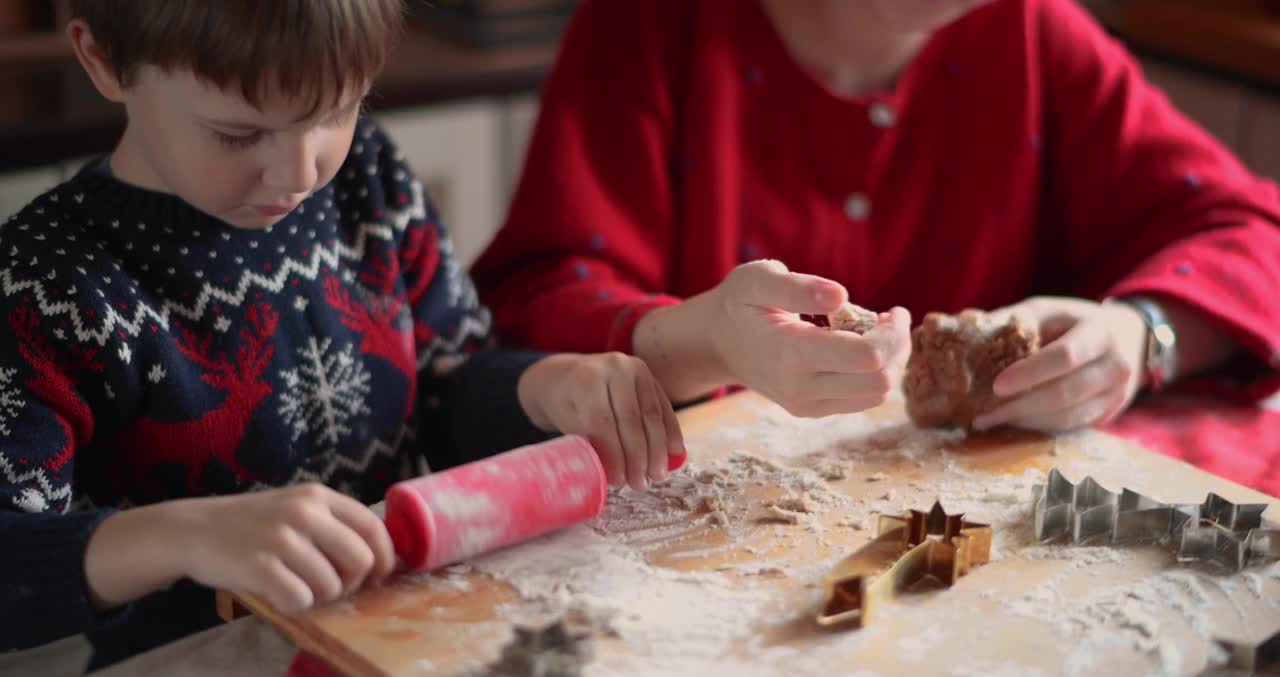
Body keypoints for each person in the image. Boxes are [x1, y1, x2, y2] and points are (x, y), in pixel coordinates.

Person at [0, 0, 683, 668]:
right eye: (238, 134)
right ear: (105, 60)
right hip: (195, 676)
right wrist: (182, 534)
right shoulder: (46, 282)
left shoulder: (367, 180)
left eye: (334, 112)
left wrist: (542, 386)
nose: (300, 175)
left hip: (402, 644)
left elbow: (444, 390)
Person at [472, 0, 1280, 491]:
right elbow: (529, 307)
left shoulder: (1034, 35)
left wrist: (1146, 335)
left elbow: (1251, 234)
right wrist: (706, 343)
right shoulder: (650, 27)